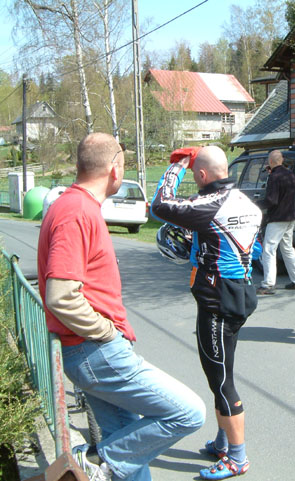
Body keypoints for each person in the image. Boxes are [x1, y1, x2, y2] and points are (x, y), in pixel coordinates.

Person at [37, 132, 206, 481]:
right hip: (96, 352)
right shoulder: (76, 211)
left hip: (90, 353)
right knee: (188, 413)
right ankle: (92, 460)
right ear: (115, 169)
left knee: (131, 446)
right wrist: (106, 331)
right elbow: (61, 295)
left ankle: (104, 459)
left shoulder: (74, 206)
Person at [151, 146, 262, 480]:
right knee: (223, 369)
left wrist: (177, 167)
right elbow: (246, 247)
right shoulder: (247, 203)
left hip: (216, 302)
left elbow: (160, 204)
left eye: (195, 175)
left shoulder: (210, 205)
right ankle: (224, 439)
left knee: (221, 380)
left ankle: (236, 457)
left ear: (201, 175)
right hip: (240, 293)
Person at [256, 149, 295, 294]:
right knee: (287, 248)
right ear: (282, 160)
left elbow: (271, 200)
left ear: (270, 162)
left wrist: (257, 204)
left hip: (277, 218)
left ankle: (268, 284)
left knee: (268, 249)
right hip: (290, 217)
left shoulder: (274, 177)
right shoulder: (290, 174)